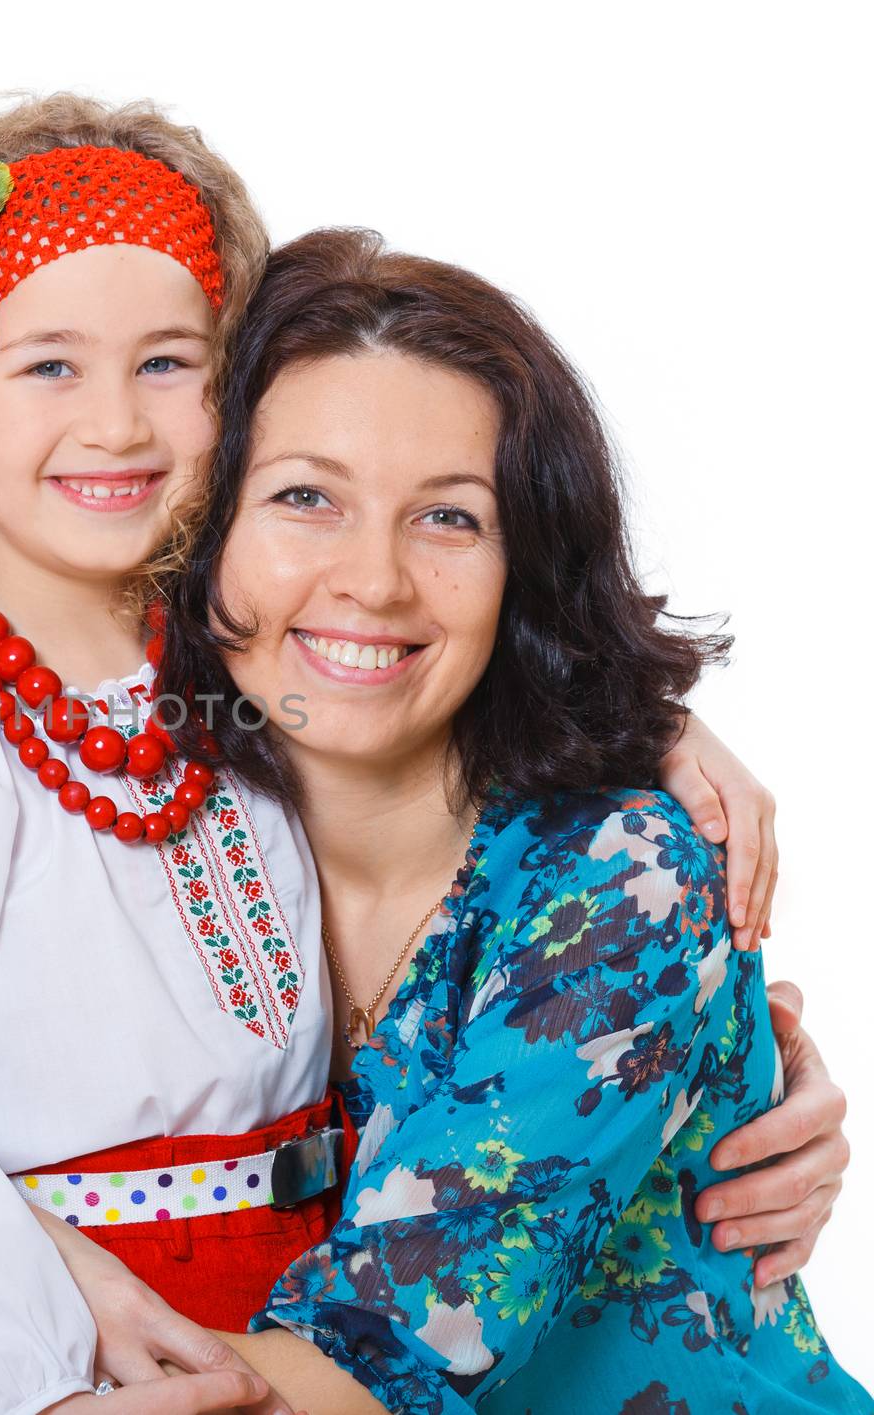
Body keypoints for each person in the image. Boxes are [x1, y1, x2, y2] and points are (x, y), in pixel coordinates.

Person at [0, 96, 838, 1415]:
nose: (116, 425)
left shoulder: (290, 728)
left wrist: (644, 717)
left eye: (167, 366)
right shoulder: (67, 733)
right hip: (164, 1311)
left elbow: (386, 1353)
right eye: (307, 497)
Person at [153, 228, 867, 1410]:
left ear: (521, 568)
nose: (372, 579)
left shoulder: (620, 877)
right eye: (301, 496)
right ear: (200, 530)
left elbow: (366, 1367)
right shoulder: (138, 836)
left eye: (448, 519)